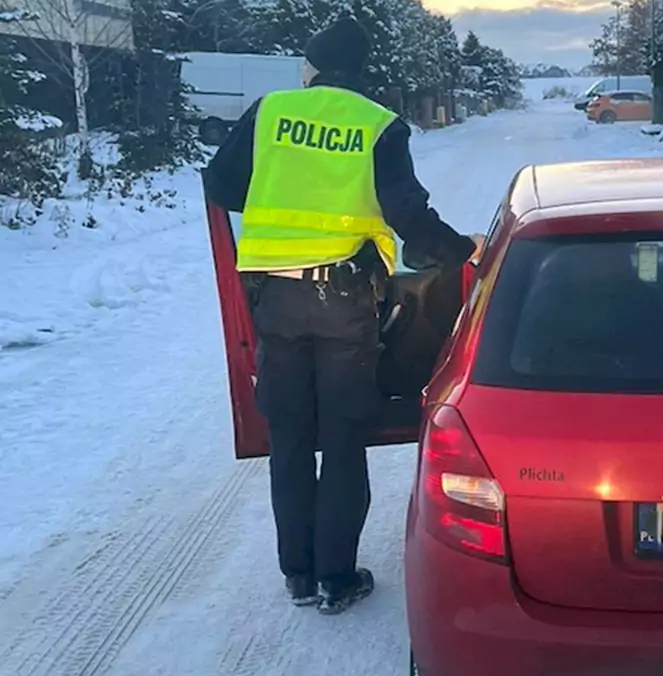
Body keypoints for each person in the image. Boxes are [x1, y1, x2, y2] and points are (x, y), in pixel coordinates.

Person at [202, 16, 478, 615]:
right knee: (346, 436)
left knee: (292, 438)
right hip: (345, 301)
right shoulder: (379, 126)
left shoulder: (269, 111)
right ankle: (336, 577)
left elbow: (221, 184)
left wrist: (284, 196)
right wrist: (464, 252)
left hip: (273, 298)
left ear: (312, 67)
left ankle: (297, 574)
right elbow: (410, 217)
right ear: (361, 72)